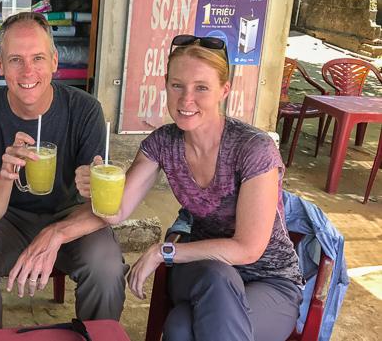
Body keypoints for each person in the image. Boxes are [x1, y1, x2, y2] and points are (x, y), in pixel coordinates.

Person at [76, 35, 303, 341]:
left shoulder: (253, 148)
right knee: (216, 275)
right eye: (177, 85)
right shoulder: (162, 142)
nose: (186, 100)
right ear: (166, 84)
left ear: (224, 90)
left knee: (182, 328)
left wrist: (163, 251)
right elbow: (116, 212)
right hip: (202, 270)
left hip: (269, 280)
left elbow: (248, 248)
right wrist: (97, 188)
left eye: (201, 88)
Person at [0, 12, 129, 330]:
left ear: (55, 61)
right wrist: (4, 175)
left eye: (38, 58)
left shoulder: (85, 110)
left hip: (71, 219)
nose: (28, 71)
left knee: (107, 267)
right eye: (15, 59)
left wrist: (55, 233)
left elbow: (99, 208)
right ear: (0, 65)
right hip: (6, 220)